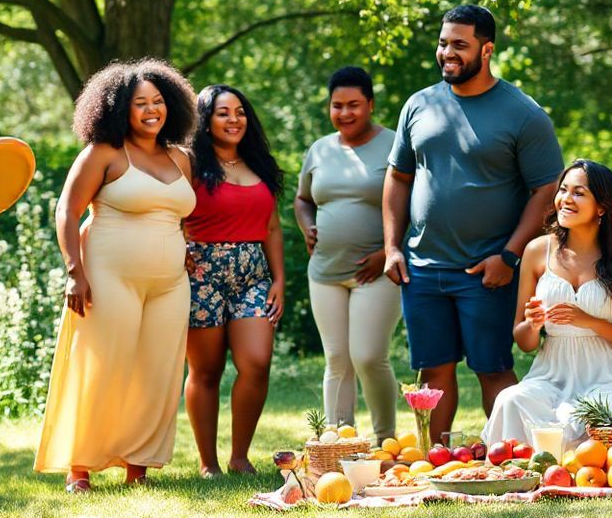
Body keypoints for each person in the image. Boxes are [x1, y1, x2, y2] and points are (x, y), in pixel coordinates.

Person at [383, 4, 564, 442]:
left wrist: (510, 254)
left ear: (486, 50)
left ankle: (515, 457)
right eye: (443, 43)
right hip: (423, 269)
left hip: (489, 271)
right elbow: (398, 176)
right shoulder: (419, 104)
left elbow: (547, 190)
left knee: (494, 369)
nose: (447, 52)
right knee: (432, 372)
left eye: (459, 45)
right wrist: (391, 246)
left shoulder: (523, 113)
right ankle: (434, 460)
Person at [35, 60, 198, 492]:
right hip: (108, 277)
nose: (151, 110)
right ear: (118, 108)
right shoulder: (104, 153)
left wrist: (187, 248)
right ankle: (80, 466)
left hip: (170, 284)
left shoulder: (181, 158)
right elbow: (67, 211)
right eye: (139, 102)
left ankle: (138, 464)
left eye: (159, 102)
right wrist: (75, 272)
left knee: (157, 371)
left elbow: (181, 215)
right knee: (102, 366)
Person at [481, 160, 612, 449]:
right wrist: (533, 324)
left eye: (579, 192)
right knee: (510, 399)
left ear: (602, 206)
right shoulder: (538, 251)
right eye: (563, 189)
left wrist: (590, 321)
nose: (566, 198)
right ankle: (524, 469)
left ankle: (573, 465)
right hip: (552, 373)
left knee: (595, 415)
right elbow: (524, 341)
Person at [294, 66, 401, 444]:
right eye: (337, 106)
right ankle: (338, 444)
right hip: (325, 272)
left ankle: (385, 440)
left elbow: (413, 205)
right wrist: (307, 226)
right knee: (337, 360)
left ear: (370, 104)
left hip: (377, 272)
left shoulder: (394, 144)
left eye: (354, 105)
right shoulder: (320, 149)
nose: (345, 113)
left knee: (369, 356)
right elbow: (303, 199)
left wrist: (387, 251)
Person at [184, 84, 285, 476]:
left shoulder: (258, 163)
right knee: (206, 371)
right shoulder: (189, 164)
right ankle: (208, 462)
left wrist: (279, 280)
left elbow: (272, 227)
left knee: (257, 363)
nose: (234, 119)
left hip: (253, 276)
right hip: (202, 276)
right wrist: (180, 245)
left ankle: (239, 456)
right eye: (223, 112)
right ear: (206, 121)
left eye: (240, 111)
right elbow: (167, 211)